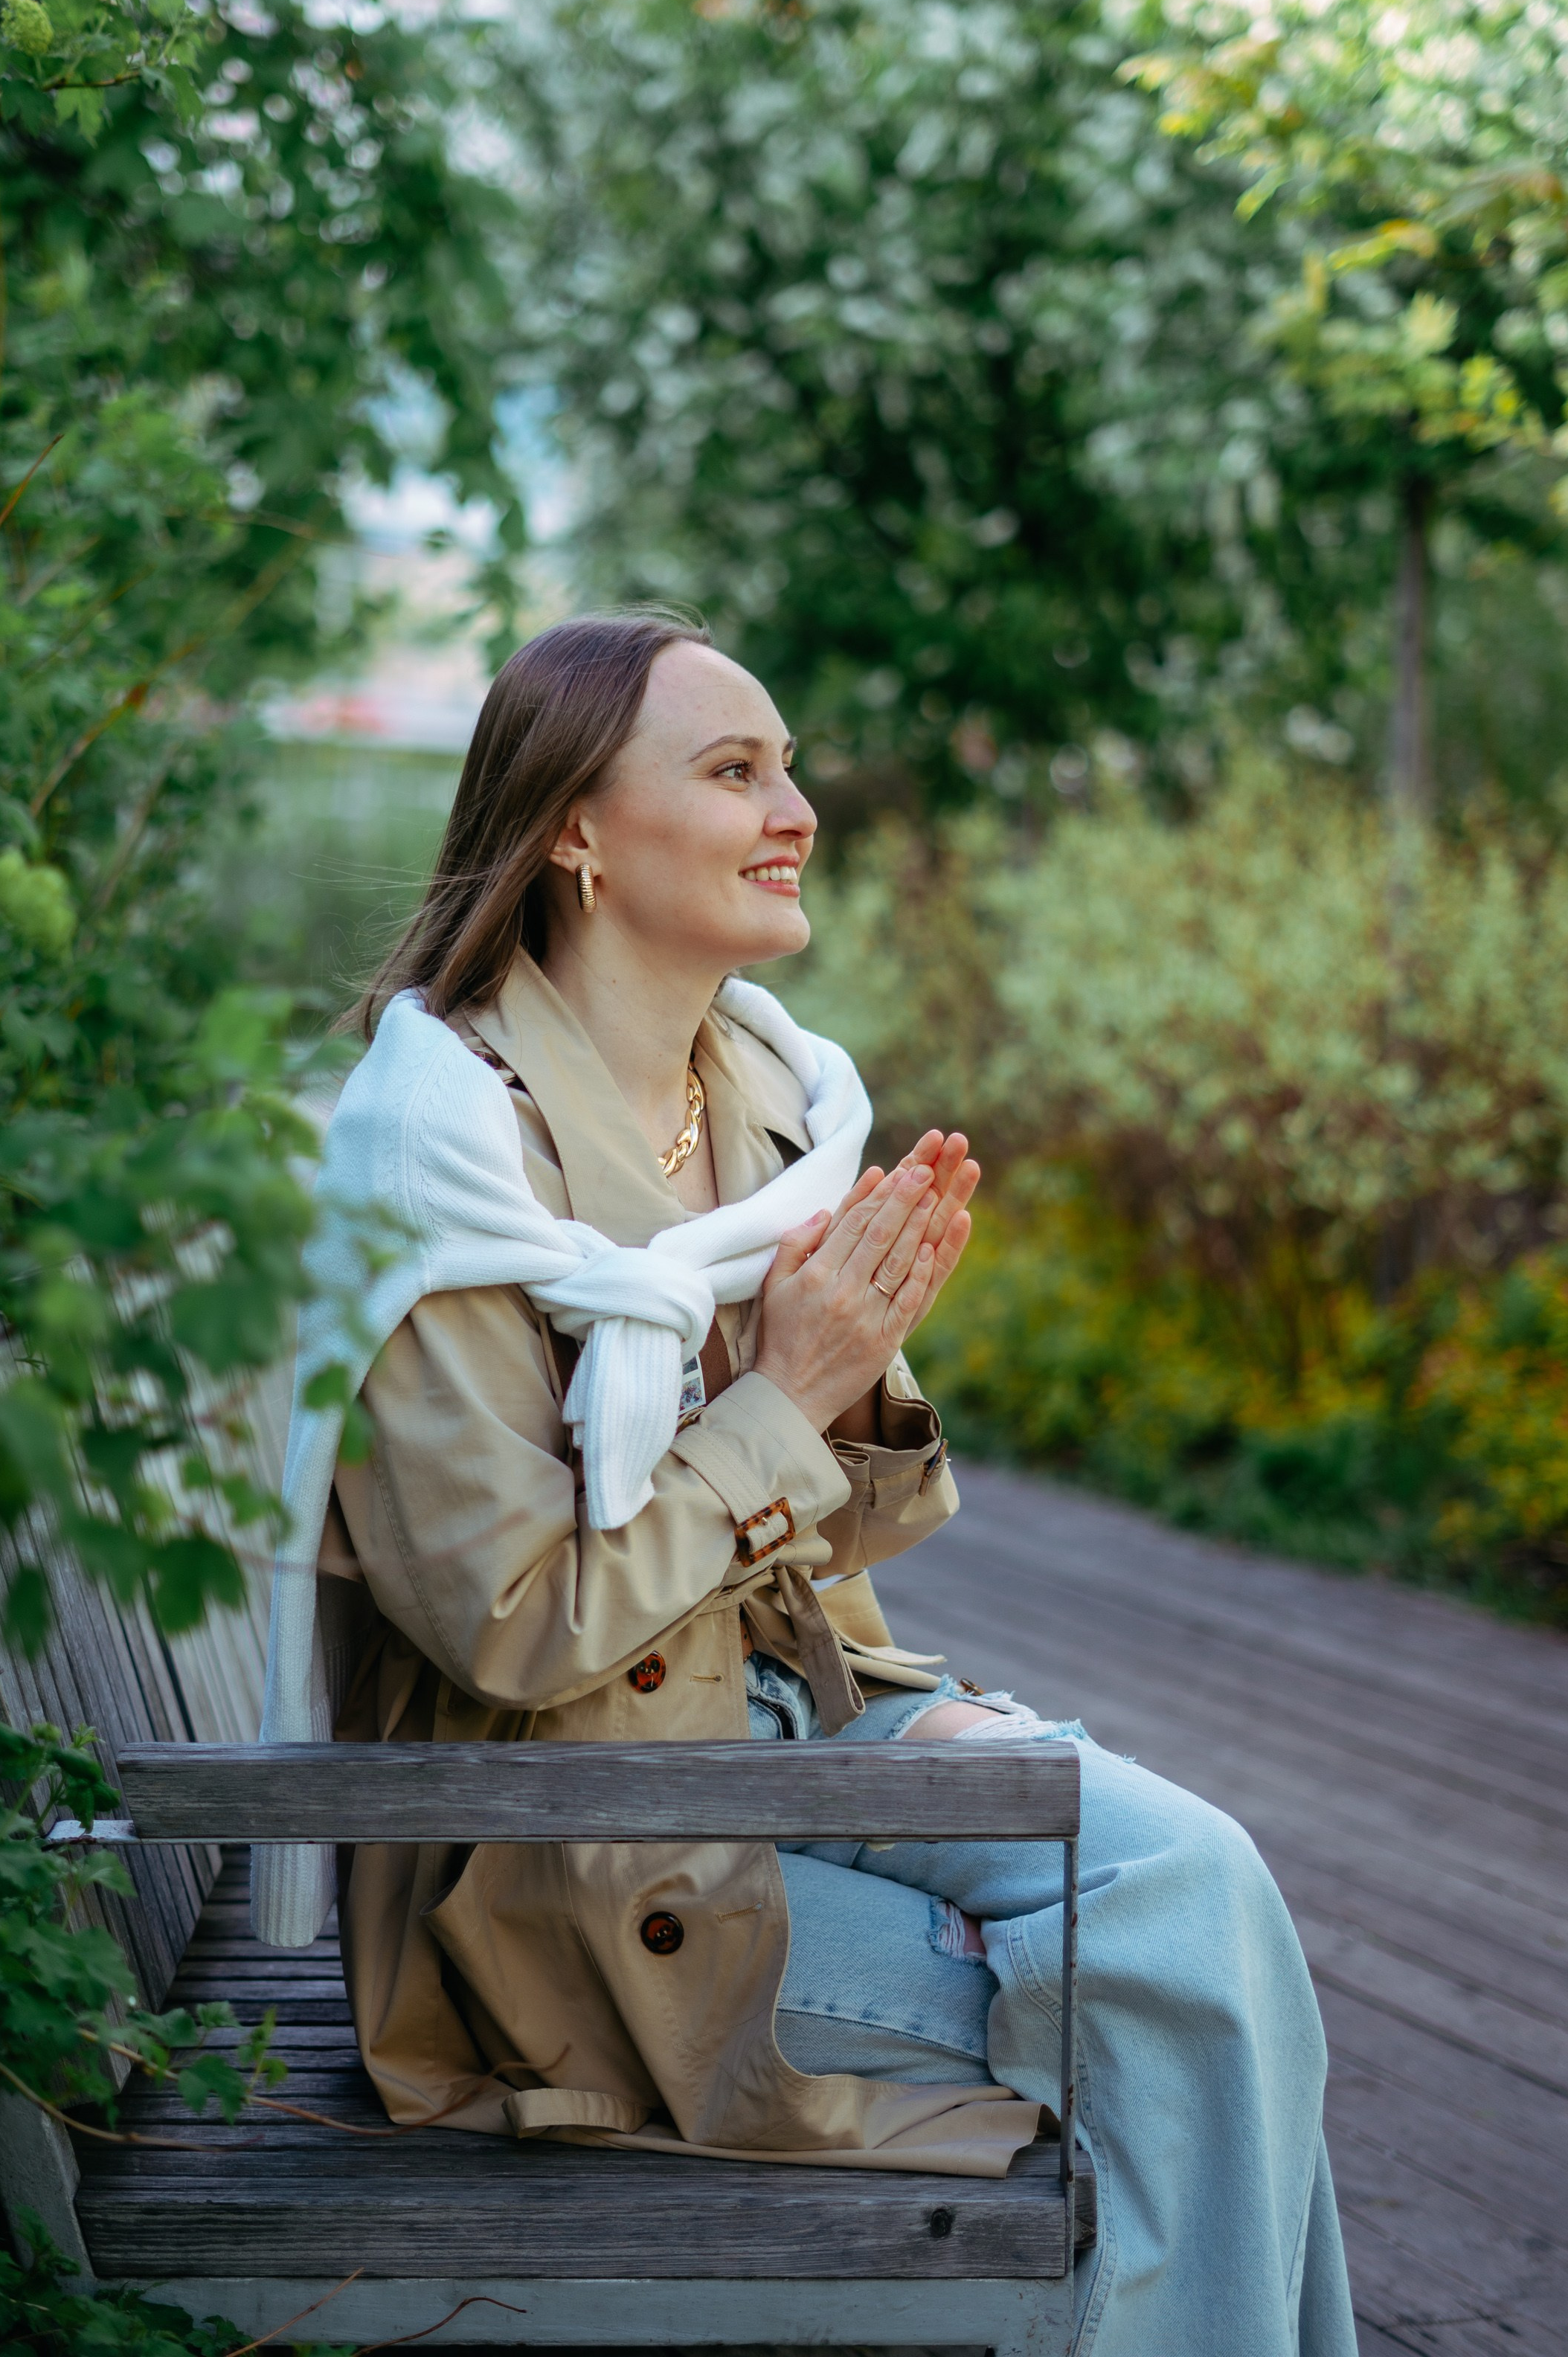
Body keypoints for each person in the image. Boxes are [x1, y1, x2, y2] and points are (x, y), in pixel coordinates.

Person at [257, 608, 1357, 2357]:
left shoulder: (768, 1098)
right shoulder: (443, 1158)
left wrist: (845, 1387)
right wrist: (785, 1390)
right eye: (735, 768)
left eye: (791, 766)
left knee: (1202, 1884)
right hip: (556, 1850)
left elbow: (842, 1530)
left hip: (778, 1725)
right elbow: (513, 1632)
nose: (799, 807)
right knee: (1179, 2019)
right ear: (575, 832)